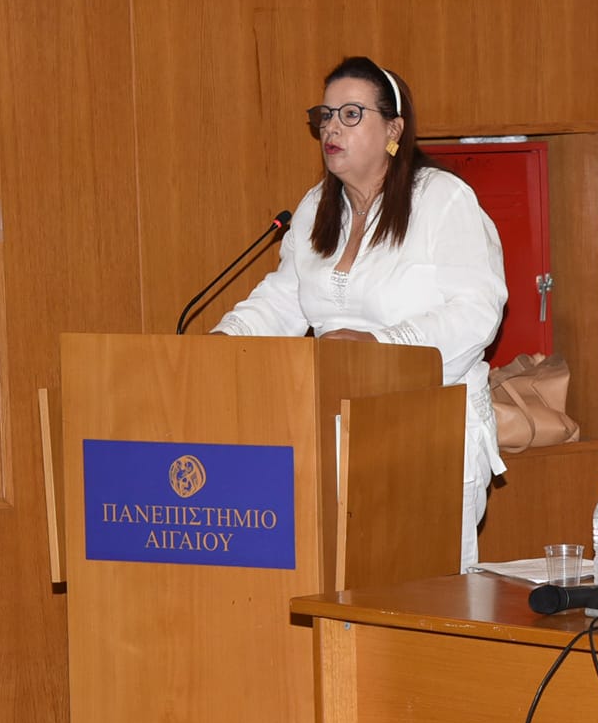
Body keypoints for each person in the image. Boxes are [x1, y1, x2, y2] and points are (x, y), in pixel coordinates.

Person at [216, 56, 507, 570]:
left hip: (428, 428)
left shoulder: (442, 200)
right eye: (325, 115)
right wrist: (224, 340)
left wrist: (380, 348)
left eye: (351, 114)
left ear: (394, 129)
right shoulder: (315, 207)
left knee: (422, 588)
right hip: (333, 427)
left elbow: (476, 311)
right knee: (340, 583)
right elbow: (284, 298)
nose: (332, 128)